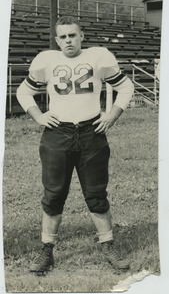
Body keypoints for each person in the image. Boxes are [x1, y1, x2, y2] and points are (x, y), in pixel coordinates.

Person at [16, 15, 134, 275]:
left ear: (81, 36)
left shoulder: (99, 57)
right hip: (58, 133)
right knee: (54, 193)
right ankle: (47, 250)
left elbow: (126, 86)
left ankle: (108, 245)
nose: (68, 41)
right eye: (63, 37)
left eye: (73, 35)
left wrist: (112, 115)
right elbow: (23, 91)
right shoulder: (47, 61)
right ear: (57, 40)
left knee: (96, 192)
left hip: (92, 132)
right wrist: (39, 116)